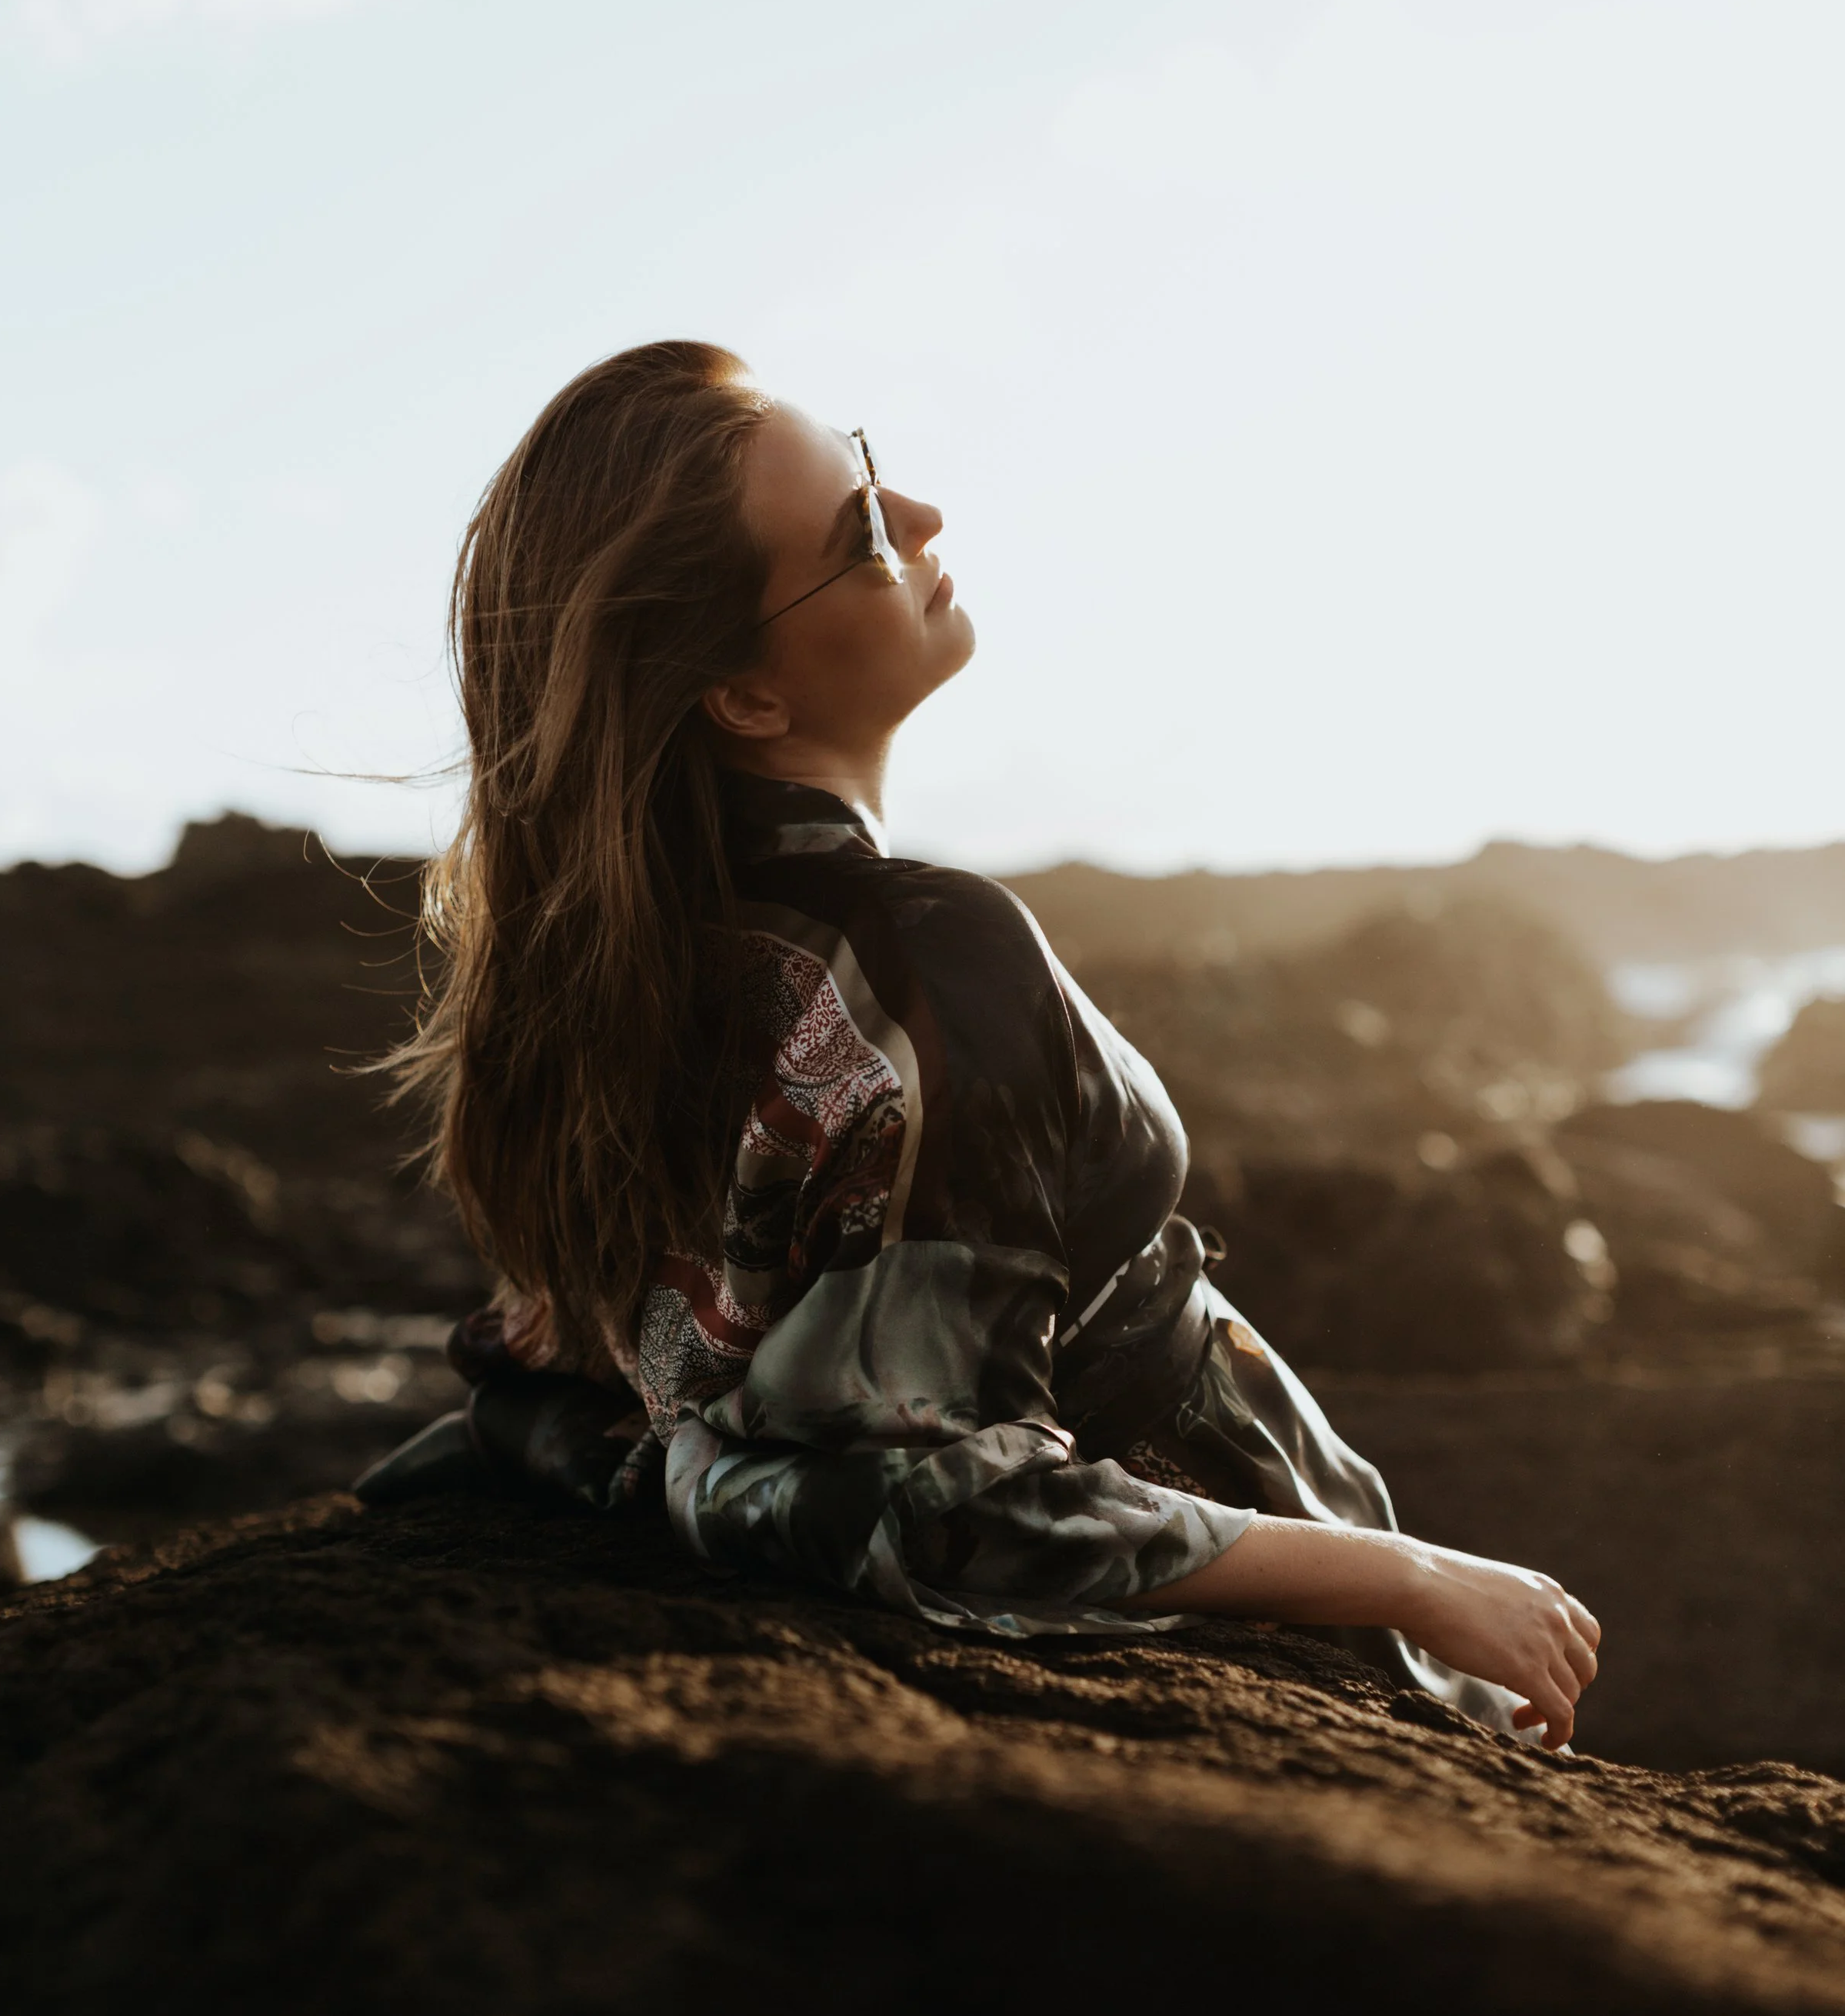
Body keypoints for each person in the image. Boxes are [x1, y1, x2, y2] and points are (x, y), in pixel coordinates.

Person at [367, 340, 1599, 1751]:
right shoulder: (933, 954)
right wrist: (1416, 1578)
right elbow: (958, 1499)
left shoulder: (622, 978)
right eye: (867, 534)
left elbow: (624, 1379)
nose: (929, 519)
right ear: (745, 696)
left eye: (879, 474)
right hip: (1214, 1600)